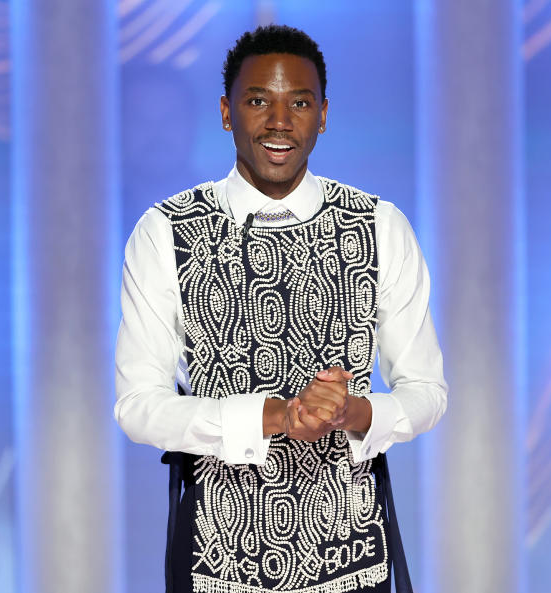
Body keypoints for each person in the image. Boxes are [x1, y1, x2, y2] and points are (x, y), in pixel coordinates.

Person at [115, 24, 447, 593]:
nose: (278, 121)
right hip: (218, 565)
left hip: (351, 561)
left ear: (323, 115)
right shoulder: (165, 231)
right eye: (256, 100)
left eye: (299, 102)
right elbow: (138, 407)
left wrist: (355, 414)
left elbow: (427, 392)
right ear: (226, 112)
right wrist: (267, 416)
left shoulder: (379, 226)